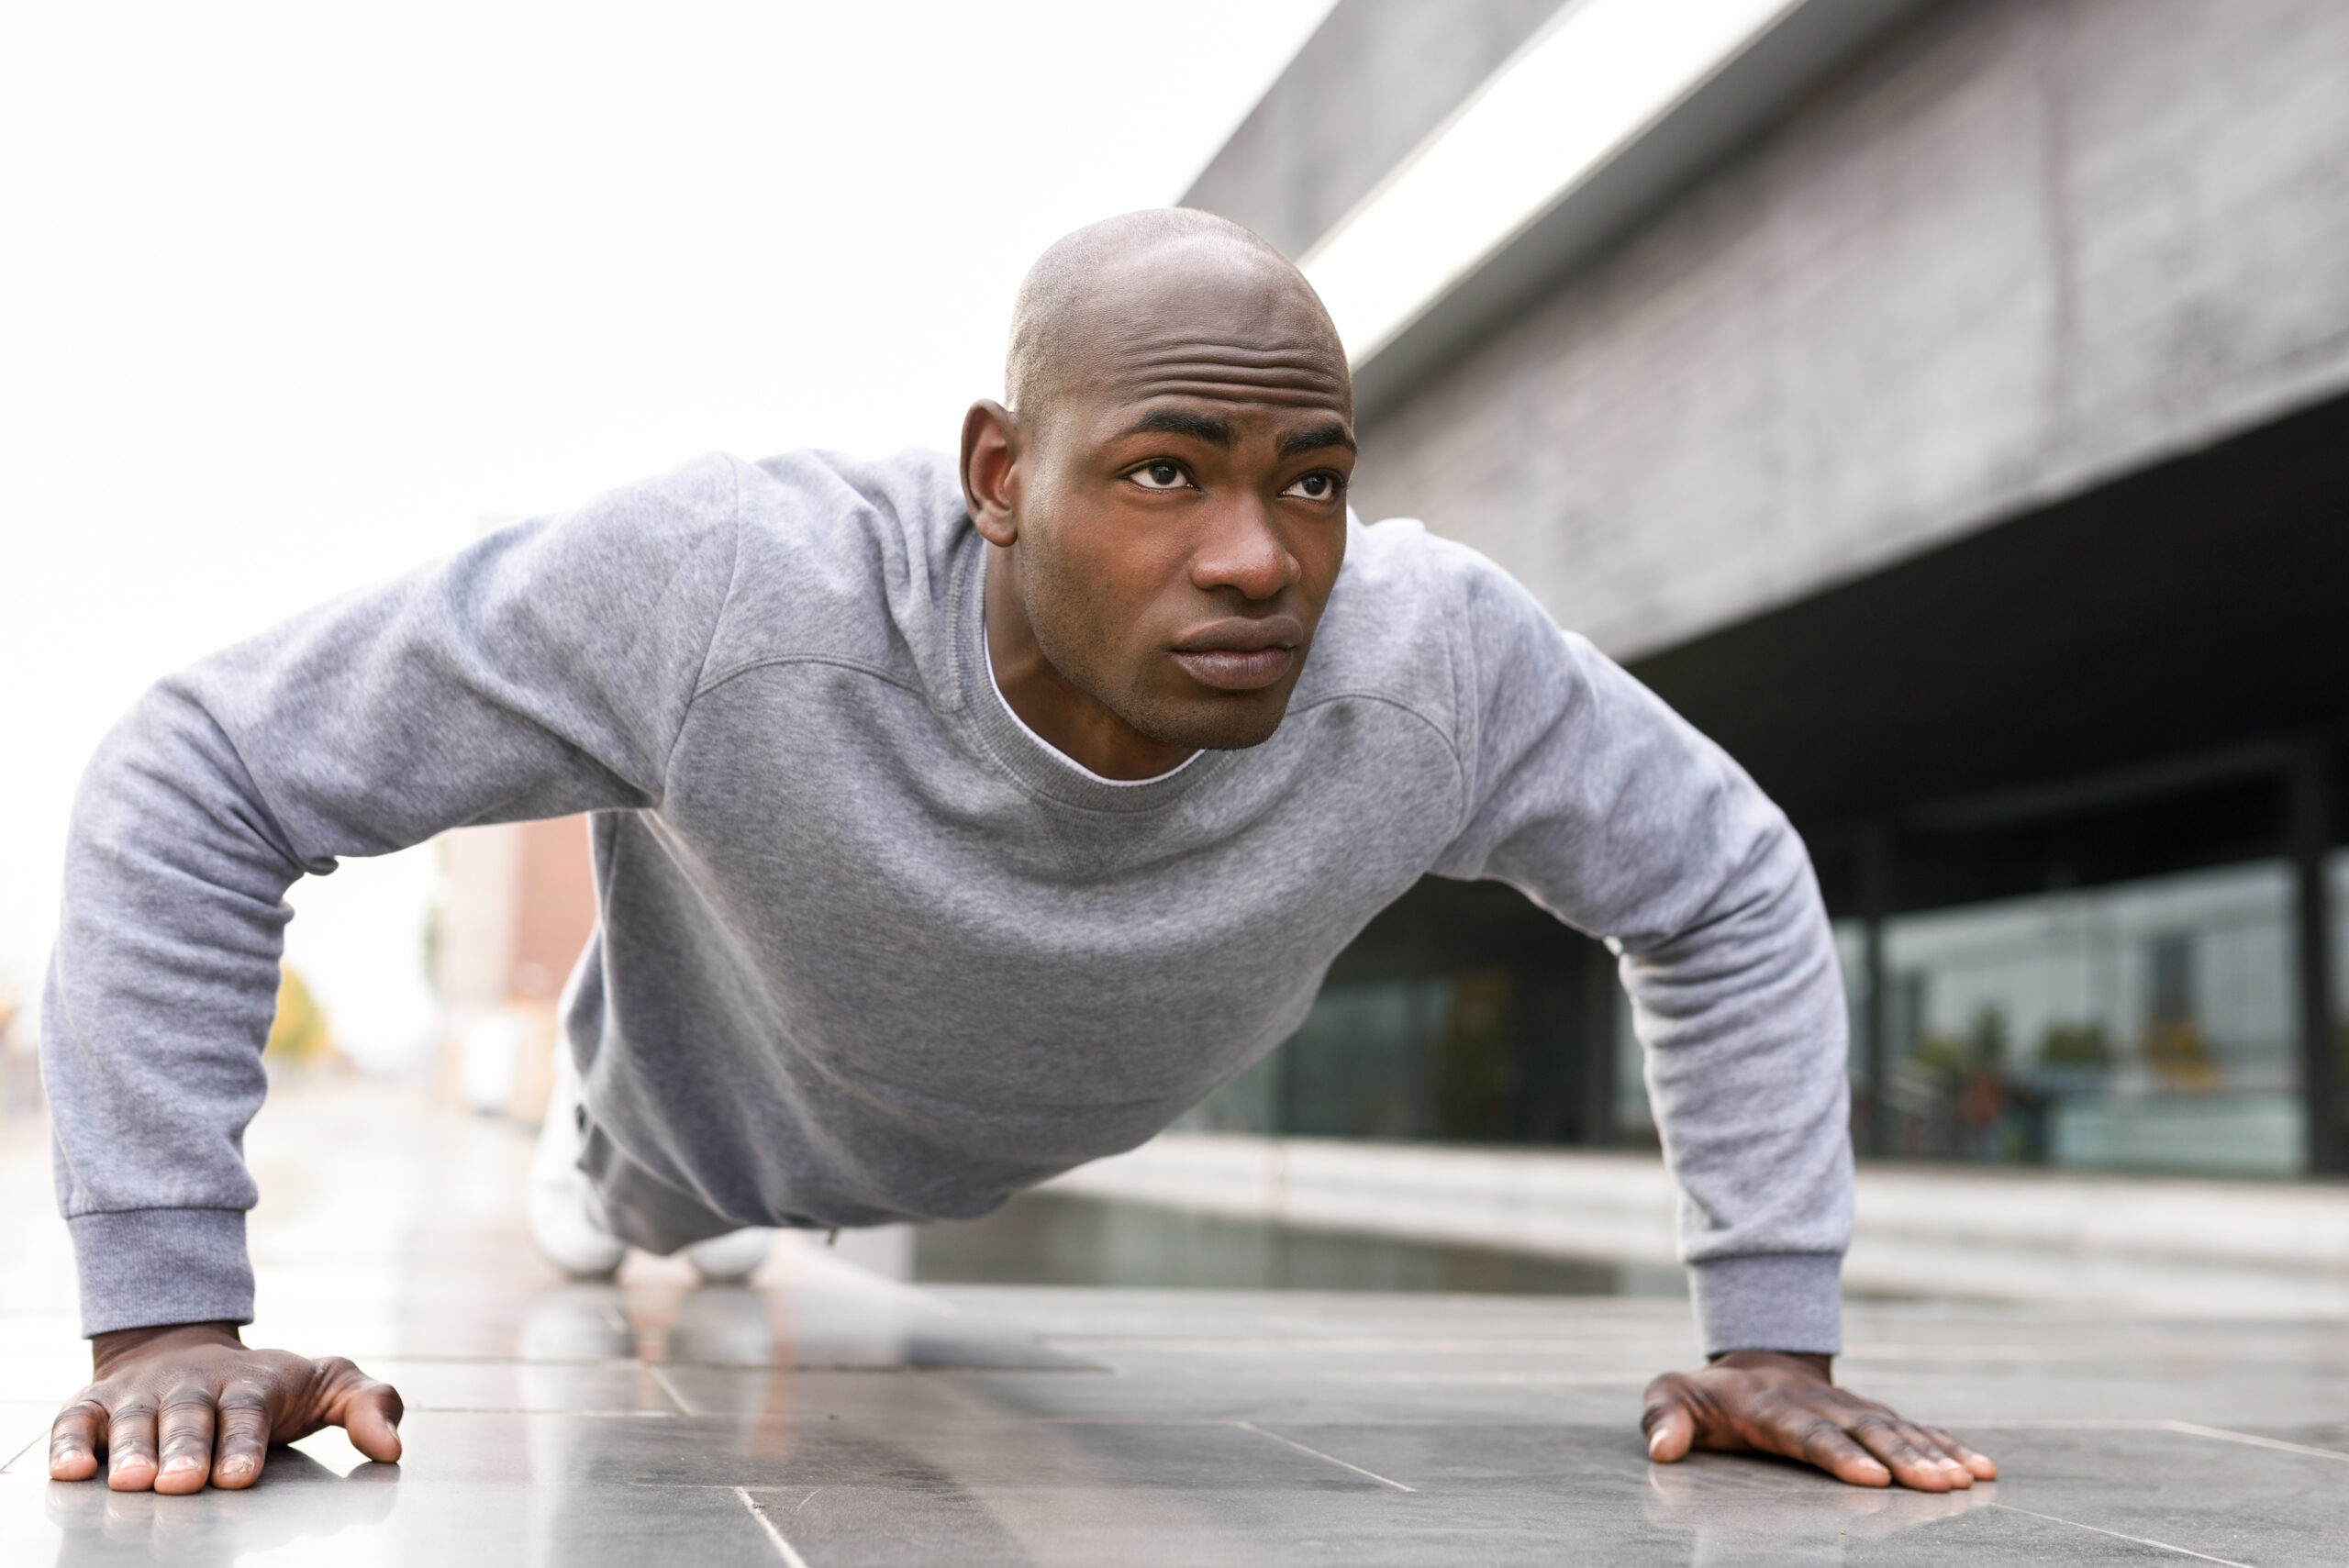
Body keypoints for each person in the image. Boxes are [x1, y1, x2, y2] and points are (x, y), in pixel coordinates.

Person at [43, 209, 1998, 1496]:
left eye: (1306, 479)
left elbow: (1725, 884)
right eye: (1166, 471)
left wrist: (1768, 1331)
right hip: (690, 1130)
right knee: (622, 1225)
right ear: (1000, 477)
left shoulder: (1430, 665)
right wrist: (166, 1320)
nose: (1255, 557)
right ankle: (608, 1187)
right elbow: (201, 767)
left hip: (1021, 1121)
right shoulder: (729, 592)